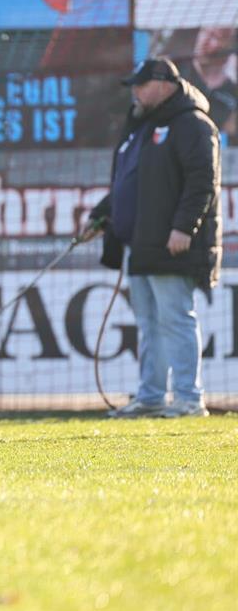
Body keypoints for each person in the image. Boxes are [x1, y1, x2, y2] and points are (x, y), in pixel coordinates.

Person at [82, 57, 222, 418]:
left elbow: (203, 181)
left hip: (172, 243)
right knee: (149, 324)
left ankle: (189, 399)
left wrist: (184, 227)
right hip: (139, 243)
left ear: (165, 83)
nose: (136, 92)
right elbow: (128, 183)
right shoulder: (143, 126)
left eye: (141, 85)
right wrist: (101, 215)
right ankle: (151, 396)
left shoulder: (192, 123)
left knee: (175, 318)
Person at [176, 26, 237, 137]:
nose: (204, 41)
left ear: (228, 46)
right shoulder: (175, 73)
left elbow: (231, 133)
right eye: (203, 32)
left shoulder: (232, 90)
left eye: (215, 37)